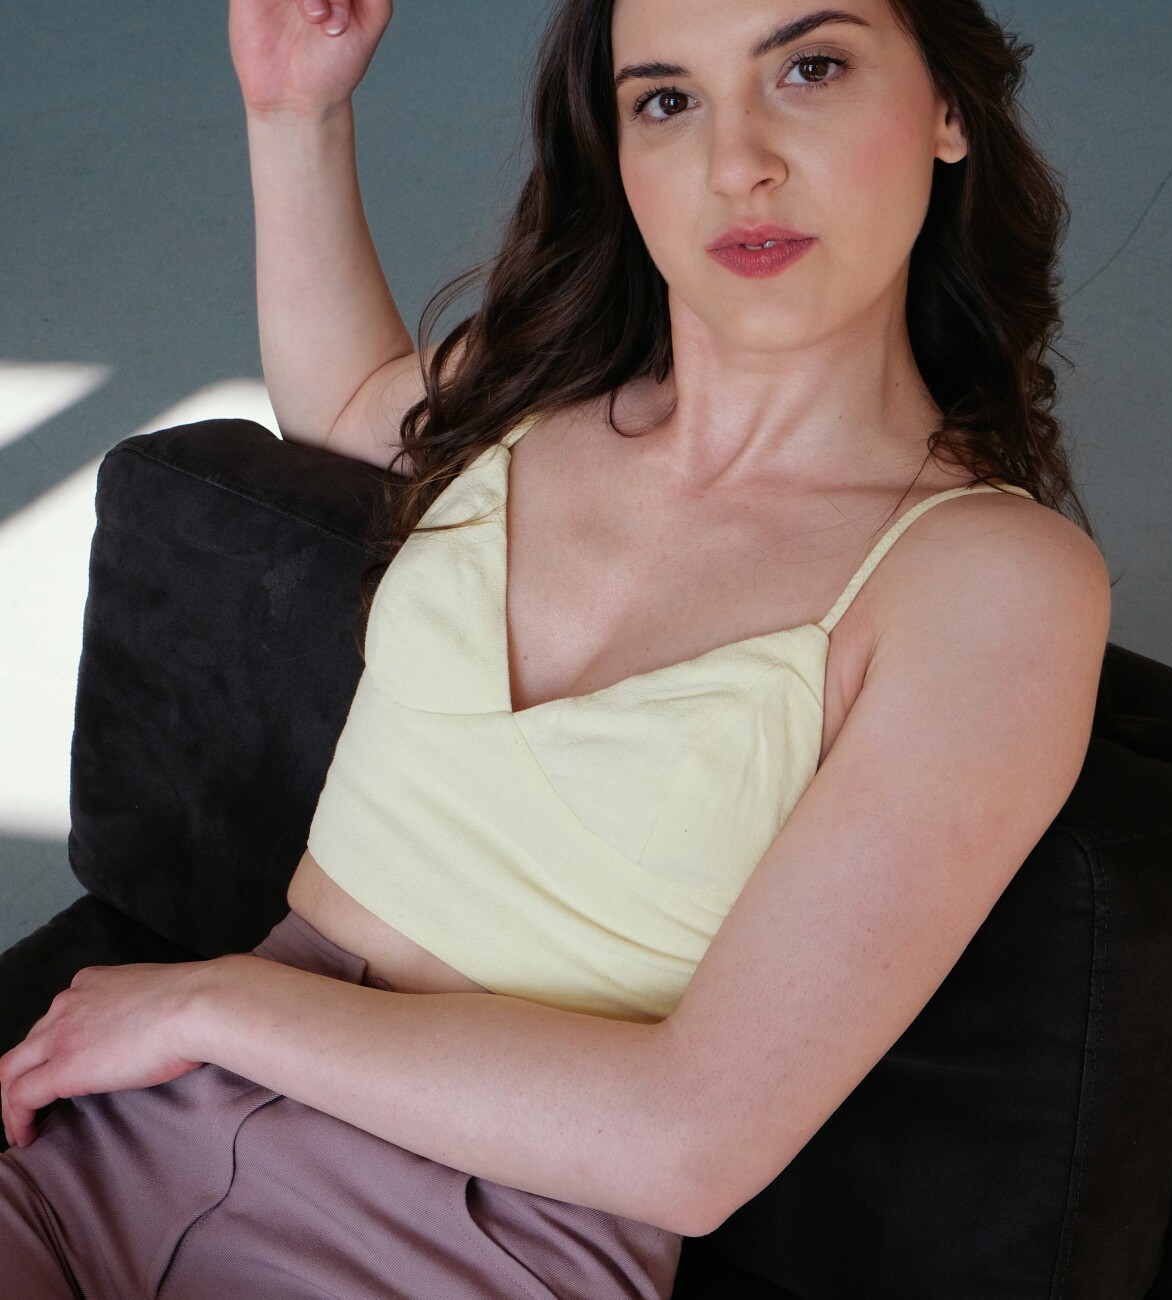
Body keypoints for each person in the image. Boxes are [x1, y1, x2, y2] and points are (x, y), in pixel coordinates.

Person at [0, 0, 1112, 1295]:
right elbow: (352, 402)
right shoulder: (548, 388)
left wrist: (210, 1003)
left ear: (948, 110)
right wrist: (295, 111)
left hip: (466, 1247)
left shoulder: (993, 583)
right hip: (120, 1148)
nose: (735, 162)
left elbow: (691, 1144)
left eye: (810, 68)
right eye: (666, 100)